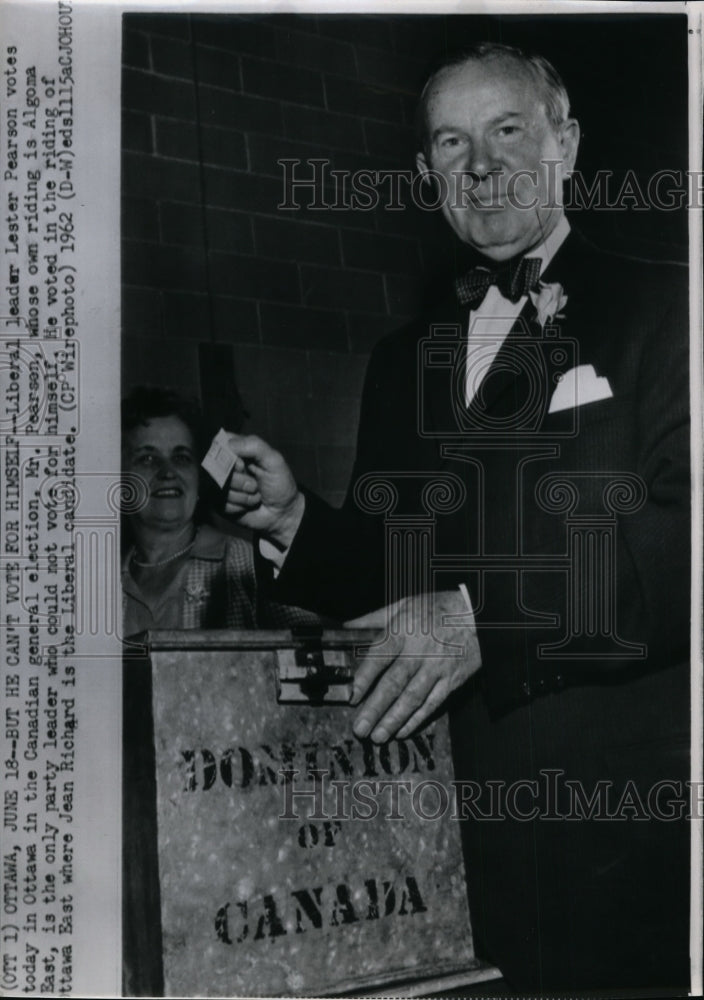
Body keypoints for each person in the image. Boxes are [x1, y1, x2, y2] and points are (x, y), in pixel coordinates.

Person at [222, 44, 690, 990]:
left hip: (620, 832)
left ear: (566, 144)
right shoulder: (404, 360)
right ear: (426, 175)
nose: (480, 165)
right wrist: (296, 523)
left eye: (507, 130)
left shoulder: (676, 301)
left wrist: (487, 616)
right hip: (436, 831)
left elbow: (687, 542)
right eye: (450, 142)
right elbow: (403, 580)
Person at [121, 385, 317, 635]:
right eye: (147, 458)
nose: (167, 472)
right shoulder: (100, 583)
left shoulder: (244, 564)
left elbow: (322, 641)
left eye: (182, 457)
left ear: (199, 478)